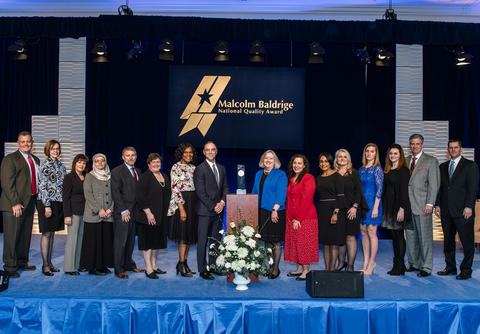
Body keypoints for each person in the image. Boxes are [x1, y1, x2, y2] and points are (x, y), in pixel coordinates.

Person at [435, 139, 479, 280]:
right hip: (446, 211)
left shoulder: (470, 166)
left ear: (461, 149)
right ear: (448, 150)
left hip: (463, 211)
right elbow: (440, 189)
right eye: (450, 148)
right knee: (448, 241)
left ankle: (466, 270)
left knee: (466, 242)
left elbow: (473, 189)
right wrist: (437, 205)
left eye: (456, 147)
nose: (453, 150)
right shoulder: (443, 167)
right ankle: (450, 267)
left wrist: (469, 206)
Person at [0, 131, 40, 278]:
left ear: (32, 142)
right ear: (18, 143)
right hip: (13, 205)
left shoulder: (35, 159)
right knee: (12, 236)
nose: (26, 144)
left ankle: (22, 262)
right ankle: (10, 267)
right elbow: (7, 183)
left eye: (28, 141)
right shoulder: (10, 159)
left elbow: (34, 182)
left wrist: (35, 202)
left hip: (29, 203)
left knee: (25, 235)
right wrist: (15, 202)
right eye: (23, 142)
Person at [406, 133, 440, 277]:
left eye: (417, 143)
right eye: (412, 144)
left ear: (422, 144)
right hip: (408, 206)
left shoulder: (431, 161)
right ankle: (414, 263)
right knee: (411, 237)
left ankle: (426, 267)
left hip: (422, 206)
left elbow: (434, 184)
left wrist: (430, 203)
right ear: (410, 145)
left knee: (425, 238)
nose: (415, 146)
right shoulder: (405, 160)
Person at [193, 141, 228, 280]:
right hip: (205, 211)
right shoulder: (200, 169)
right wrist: (214, 205)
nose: (210, 152)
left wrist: (222, 202)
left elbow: (225, 187)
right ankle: (202, 269)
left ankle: (213, 267)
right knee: (202, 241)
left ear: (216, 151)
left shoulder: (221, 168)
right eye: (207, 150)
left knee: (216, 240)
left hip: (218, 211)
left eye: (213, 149)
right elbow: (200, 192)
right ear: (204, 152)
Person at [251, 150, 287, 279]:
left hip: (274, 211)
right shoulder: (258, 174)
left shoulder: (280, 174)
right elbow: (254, 192)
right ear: (262, 160)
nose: (268, 160)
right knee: (266, 241)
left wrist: (275, 209)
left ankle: (276, 269)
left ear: (275, 160)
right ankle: (270, 267)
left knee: (276, 242)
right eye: (266, 158)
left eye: (271, 158)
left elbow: (281, 193)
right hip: (261, 211)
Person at [135, 153, 171, 279]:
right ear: (149, 164)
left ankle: (154, 266)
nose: (156, 164)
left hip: (161, 216)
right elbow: (140, 196)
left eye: (158, 162)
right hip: (147, 216)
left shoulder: (164, 176)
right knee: (148, 242)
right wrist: (148, 213)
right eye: (153, 162)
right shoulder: (145, 177)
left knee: (157, 242)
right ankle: (148, 268)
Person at [111, 146, 144, 279]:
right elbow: (115, 192)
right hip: (123, 212)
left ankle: (128, 264)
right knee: (120, 242)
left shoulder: (138, 171)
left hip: (134, 212)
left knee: (130, 240)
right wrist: (123, 210)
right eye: (128, 155)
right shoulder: (117, 171)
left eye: (133, 155)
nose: (131, 157)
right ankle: (119, 269)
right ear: (123, 157)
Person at [284, 154, 318, 280]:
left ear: (304, 165)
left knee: (304, 243)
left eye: (299, 163)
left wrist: (298, 218)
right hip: (292, 217)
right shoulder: (291, 178)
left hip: (305, 217)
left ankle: (306, 270)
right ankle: (299, 268)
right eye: (294, 163)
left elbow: (306, 199)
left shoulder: (308, 178)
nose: (296, 165)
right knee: (296, 242)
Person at [167, 143, 198, 277]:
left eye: (190, 152)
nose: (188, 155)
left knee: (189, 236)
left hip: (193, 201)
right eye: (186, 152)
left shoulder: (194, 168)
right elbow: (175, 188)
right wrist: (181, 209)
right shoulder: (176, 167)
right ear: (181, 153)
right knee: (183, 236)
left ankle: (184, 263)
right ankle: (180, 263)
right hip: (182, 201)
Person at [37, 140, 67, 276]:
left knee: (52, 233)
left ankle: (50, 263)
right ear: (48, 150)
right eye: (53, 149)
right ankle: (45, 265)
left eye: (57, 149)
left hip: (58, 202)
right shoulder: (44, 165)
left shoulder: (61, 166)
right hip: (46, 202)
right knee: (46, 233)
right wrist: (47, 206)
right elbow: (42, 186)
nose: (55, 151)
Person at [82, 153, 114, 276]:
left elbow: (115, 194)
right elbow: (88, 195)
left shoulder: (110, 176)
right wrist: (99, 209)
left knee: (105, 241)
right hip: (93, 215)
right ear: (93, 163)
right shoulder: (89, 176)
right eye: (97, 161)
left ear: (106, 162)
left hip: (108, 215)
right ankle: (93, 267)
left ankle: (103, 265)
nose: (100, 163)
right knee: (93, 242)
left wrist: (110, 209)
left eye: (102, 161)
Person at [382, 144, 412, 276]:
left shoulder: (404, 170)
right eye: (391, 154)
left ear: (400, 155)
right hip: (388, 206)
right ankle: (400, 265)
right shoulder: (387, 170)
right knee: (394, 237)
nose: (393, 156)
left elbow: (405, 192)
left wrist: (402, 208)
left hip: (398, 206)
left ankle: (399, 266)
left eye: (395, 153)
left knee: (399, 237)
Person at [334, 149, 366, 272]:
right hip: (338, 210)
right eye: (340, 157)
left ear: (348, 159)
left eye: (345, 157)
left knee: (350, 237)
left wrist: (355, 206)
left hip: (352, 210)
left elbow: (358, 191)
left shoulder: (354, 173)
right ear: (336, 159)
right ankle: (341, 263)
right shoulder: (333, 174)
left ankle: (351, 265)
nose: (342, 159)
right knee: (340, 238)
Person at [316, 152, 345, 272]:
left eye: (326, 161)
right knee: (325, 243)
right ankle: (327, 269)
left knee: (333, 243)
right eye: (321, 161)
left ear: (330, 162)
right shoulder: (318, 178)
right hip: (322, 211)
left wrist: (335, 213)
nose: (323, 164)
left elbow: (341, 197)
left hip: (334, 211)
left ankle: (332, 270)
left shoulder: (337, 176)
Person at [359, 143, 384, 275]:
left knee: (371, 232)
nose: (369, 153)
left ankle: (372, 263)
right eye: (367, 151)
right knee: (363, 232)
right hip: (362, 205)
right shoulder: (361, 169)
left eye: (372, 151)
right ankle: (365, 262)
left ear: (376, 153)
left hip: (373, 204)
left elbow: (379, 190)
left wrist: (375, 208)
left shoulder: (377, 169)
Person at [63, 154, 89, 276]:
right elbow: (66, 197)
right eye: (79, 162)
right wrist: (67, 215)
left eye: (83, 163)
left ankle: (78, 265)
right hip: (73, 212)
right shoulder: (69, 177)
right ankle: (69, 267)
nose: (81, 165)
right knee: (72, 240)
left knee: (81, 240)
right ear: (74, 164)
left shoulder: (87, 177)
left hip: (85, 212)